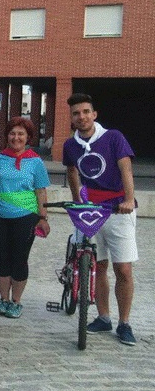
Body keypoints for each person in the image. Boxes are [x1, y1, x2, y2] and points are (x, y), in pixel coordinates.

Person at [63, 93, 137, 346]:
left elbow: (125, 167)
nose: (81, 117)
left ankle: (124, 323)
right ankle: (103, 317)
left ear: (94, 114)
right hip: (90, 210)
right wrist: (76, 200)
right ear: (71, 118)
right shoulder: (70, 145)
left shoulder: (113, 137)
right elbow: (72, 171)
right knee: (98, 266)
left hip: (117, 209)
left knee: (123, 268)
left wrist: (129, 199)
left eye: (85, 112)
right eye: (76, 113)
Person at [0, 117, 50, 319]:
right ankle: (4, 299)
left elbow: (41, 191)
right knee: (2, 257)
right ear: (7, 136)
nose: (16, 138)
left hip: (26, 217)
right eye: (13, 133)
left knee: (19, 259)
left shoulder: (35, 162)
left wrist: (43, 217)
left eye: (21, 134)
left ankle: (16, 301)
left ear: (28, 137)